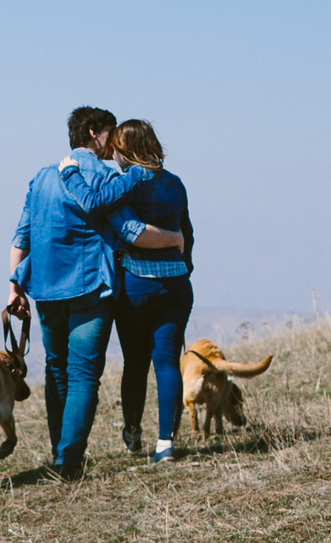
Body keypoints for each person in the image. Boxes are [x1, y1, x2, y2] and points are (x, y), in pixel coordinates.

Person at [8, 105, 187, 477]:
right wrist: (175, 240)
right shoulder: (105, 178)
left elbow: (22, 236)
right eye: (110, 132)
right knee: (83, 375)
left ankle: (59, 451)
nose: (115, 142)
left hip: (45, 290)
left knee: (56, 369)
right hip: (91, 289)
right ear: (94, 133)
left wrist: (15, 288)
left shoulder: (41, 177)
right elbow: (127, 228)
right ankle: (68, 461)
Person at [103, 119, 194, 464]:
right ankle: (165, 443)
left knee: (135, 363)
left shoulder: (129, 181)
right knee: (168, 361)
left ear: (125, 149)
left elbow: (128, 230)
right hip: (176, 283)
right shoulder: (175, 183)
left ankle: (133, 433)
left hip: (138, 284)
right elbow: (188, 232)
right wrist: (183, 264)